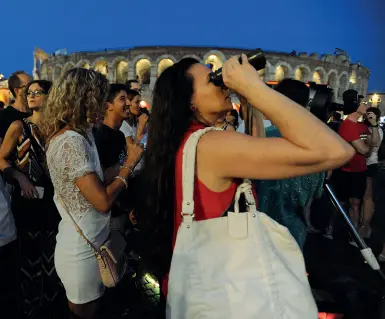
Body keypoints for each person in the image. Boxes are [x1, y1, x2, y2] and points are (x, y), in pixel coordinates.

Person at [135, 55, 354, 296]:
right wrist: (255, 87)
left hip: (193, 287)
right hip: (219, 293)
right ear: (190, 102)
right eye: (213, 80)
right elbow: (336, 151)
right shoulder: (211, 145)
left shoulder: (184, 141)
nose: (224, 84)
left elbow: (256, 153)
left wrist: (249, 100)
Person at [40, 68, 143, 319]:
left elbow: (97, 178)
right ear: (83, 99)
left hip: (94, 242)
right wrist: (129, 165)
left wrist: (124, 164)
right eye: (98, 97)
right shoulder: (70, 141)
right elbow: (102, 201)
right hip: (82, 251)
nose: (102, 103)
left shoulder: (81, 134)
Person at [0, 80, 63, 318]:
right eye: (29, 92)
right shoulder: (19, 126)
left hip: (54, 204)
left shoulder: (59, 129)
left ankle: (50, 306)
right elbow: (2, 159)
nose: (32, 95)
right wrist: (19, 177)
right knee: (29, 262)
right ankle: (31, 309)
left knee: (52, 260)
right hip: (27, 201)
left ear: (51, 96)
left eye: (38, 92)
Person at [257, 79, 326, 249]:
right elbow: (314, 194)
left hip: (258, 231)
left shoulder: (260, 139)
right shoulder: (319, 144)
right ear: (304, 105)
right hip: (294, 233)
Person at [334, 89, 381, 228]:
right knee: (341, 203)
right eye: (363, 103)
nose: (366, 105)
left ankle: (352, 233)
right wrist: (370, 146)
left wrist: (374, 125)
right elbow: (364, 150)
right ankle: (331, 227)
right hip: (346, 171)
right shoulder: (348, 125)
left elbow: (376, 142)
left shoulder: (361, 126)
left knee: (356, 203)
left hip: (360, 170)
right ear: (355, 106)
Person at [93, 84, 130, 234]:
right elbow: (99, 177)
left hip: (121, 208)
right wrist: (129, 164)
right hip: (108, 214)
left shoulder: (120, 135)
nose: (128, 103)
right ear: (109, 106)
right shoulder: (99, 135)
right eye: (122, 99)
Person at [360, 107, 383, 237]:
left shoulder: (377, 129)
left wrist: (373, 125)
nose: (368, 117)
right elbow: (364, 143)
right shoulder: (363, 128)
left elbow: (374, 144)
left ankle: (365, 226)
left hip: (370, 164)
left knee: (367, 197)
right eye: (367, 115)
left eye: (371, 115)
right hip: (360, 164)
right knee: (361, 197)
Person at [0, 71, 32, 146]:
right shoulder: (3, 116)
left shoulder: (36, 113)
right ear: (17, 91)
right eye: (29, 86)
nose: (33, 88)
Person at [120, 89, 148, 172]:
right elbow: (131, 151)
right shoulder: (123, 125)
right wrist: (141, 127)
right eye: (136, 102)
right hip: (131, 170)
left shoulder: (136, 122)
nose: (139, 105)